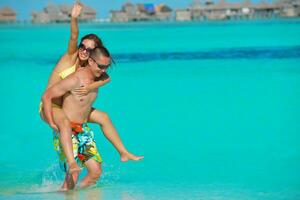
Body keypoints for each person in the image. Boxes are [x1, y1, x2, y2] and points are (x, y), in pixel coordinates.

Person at [40, 3, 143, 175]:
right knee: (65, 123)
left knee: (103, 117)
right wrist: (73, 18)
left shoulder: (91, 68)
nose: (84, 51)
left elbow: (107, 77)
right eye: (82, 47)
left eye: (89, 50)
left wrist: (91, 86)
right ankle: (72, 163)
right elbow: (74, 36)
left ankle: (123, 152)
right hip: (52, 106)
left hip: (69, 108)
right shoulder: (71, 57)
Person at [43, 47, 113, 189]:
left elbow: (107, 78)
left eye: (107, 67)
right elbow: (47, 96)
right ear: (91, 61)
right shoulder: (75, 79)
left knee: (96, 172)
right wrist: (51, 121)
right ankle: (66, 194)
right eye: (101, 66)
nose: (104, 70)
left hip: (83, 130)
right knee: (73, 173)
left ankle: (79, 195)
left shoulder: (97, 78)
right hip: (67, 131)